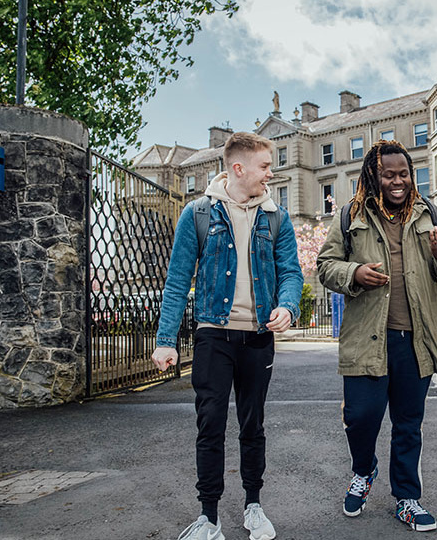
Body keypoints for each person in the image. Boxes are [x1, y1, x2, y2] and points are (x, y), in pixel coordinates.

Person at [152, 132, 303, 540]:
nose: (272, 173)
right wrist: (165, 339)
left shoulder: (276, 217)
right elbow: (177, 279)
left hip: (257, 338)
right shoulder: (198, 214)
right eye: (266, 166)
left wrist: (288, 306)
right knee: (211, 424)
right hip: (213, 337)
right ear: (239, 168)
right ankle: (209, 517)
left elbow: (291, 271)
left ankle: (254, 506)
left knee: (253, 424)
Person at [317, 140, 437, 533]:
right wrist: (355, 274)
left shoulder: (429, 212)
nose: (398, 182)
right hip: (367, 337)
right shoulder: (350, 215)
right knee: (360, 417)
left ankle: (407, 498)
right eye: (389, 175)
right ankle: (363, 472)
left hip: (415, 339)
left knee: (408, 423)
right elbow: (326, 266)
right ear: (374, 176)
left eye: (403, 174)